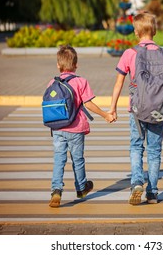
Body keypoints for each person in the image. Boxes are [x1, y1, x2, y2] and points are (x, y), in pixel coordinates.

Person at [109, 12, 163, 205]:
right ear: (155, 31)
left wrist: (112, 108)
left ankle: (136, 182)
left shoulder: (130, 54)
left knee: (136, 146)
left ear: (136, 32)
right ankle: (152, 192)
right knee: (154, 151)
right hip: (159, 109)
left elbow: (118, 83)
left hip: (136, 110)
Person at [49, 45, 115, 208]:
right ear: (76, 65)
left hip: (57, 128)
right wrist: (105, 114)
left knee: (59, 159)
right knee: (77, 159)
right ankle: (81, 188)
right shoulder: (81, 82)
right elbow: (89, 104)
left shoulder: (52, 82)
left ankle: (56, 190)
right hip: (76, 128)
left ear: (58, 65)